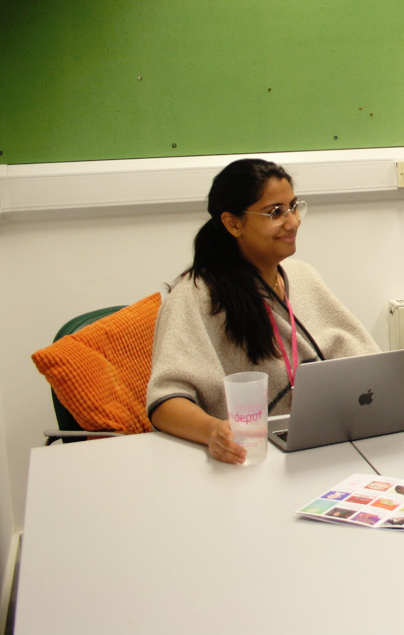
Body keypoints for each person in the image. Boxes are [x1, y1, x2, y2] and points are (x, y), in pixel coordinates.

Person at [147, 158, 379, 463]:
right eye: (275, 213)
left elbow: (367, 364)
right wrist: (213, 431)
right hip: (252, 458)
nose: (293, 221)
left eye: (294, 207)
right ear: (233, 223)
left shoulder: (303, 276)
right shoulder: (196, 296)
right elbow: (166, 402)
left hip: (331, 445)